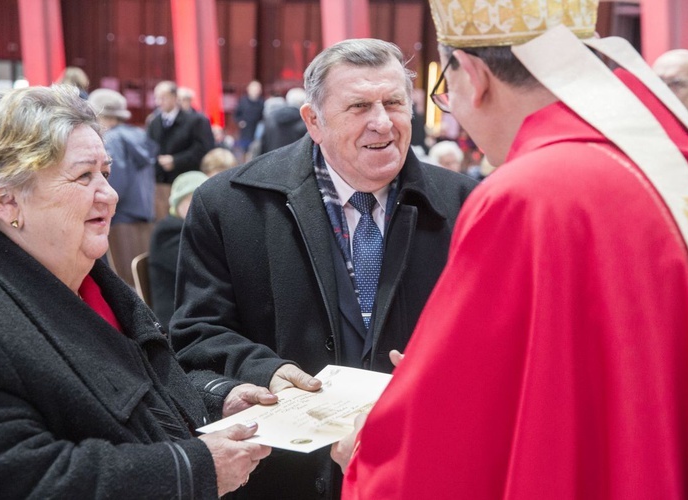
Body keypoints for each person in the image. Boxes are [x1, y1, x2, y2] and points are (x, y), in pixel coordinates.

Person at [342, 0, 688, 498]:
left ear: (475, 75)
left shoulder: (529, 194)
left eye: (445, 90)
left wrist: (368, 449)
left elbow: (447, 452)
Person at [170, 38, 477, 499]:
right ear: (314, 121)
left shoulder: (466, 206)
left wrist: (446, 368)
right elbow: (196, 335)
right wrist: (263, 369)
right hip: (283, 476)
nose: (382, 122)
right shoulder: (230, 205)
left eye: (394, 102)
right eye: (358, 106)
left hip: (421, 468)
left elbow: (500, 334)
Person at [0, 85, 276, 498]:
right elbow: (25, 478)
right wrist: (191, 470)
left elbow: (143, 393)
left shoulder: (90, 279)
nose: (110, 194)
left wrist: (219, 400)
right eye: (84, 176)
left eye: (106, 172)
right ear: (7, 201)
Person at [89, 88, 158, 287]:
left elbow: (113, 181)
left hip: (121, 216)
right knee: (139, 278)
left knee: (123, 281)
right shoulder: (137, 135)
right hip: (144, 215)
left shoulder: (113, 139)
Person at [149, 171, 209, 327]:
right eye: (192, 200)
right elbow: (199, 269)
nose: (199, 206)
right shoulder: (168, 231)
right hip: (180, 322)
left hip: (199, 313)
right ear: (178, 203)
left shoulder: (194, 228)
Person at [147, 80, 214, 220]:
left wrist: (176, 161)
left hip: (187, 182)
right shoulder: (154, 122)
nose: (159, 102)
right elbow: (149, 147)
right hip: (161, 184)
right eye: (156, 98)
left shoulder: (196, 121)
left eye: (163, 98)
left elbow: (203, 149)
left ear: (174, 98)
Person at [259, 87, 308, 154]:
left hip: (271, 158)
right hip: (294, 160)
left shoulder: (270, 118)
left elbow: (263, 143)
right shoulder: (304, 121)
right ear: (302, 102)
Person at [233, 80, 264, 158]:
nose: (255, 91)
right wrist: (240, 122)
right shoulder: (243, 101)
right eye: (253, 89)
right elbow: (236, 114)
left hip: (257, 131)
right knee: (244, 150)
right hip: (245, 130)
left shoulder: (262, 102)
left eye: (257, 89)